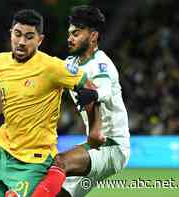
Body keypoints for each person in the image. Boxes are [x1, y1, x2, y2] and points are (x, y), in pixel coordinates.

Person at [0, 9, 96, 197]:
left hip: (35, 160)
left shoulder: (52, 67)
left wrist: (94, 126)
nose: (21, 42)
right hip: (3, 155)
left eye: (29, 37)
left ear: (40, 40)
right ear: (11, 32)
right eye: (17, 34)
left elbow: (90, 88)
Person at [32, 5, 130, 197]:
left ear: (93, 36)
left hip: (111, 147)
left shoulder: (101, 64)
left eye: (76, 33)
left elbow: (105, 89)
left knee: (60, 163)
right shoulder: (72, 64)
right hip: (94, 146)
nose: (70, 38)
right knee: (59, 192)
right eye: (69, 33)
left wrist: (94, 94)